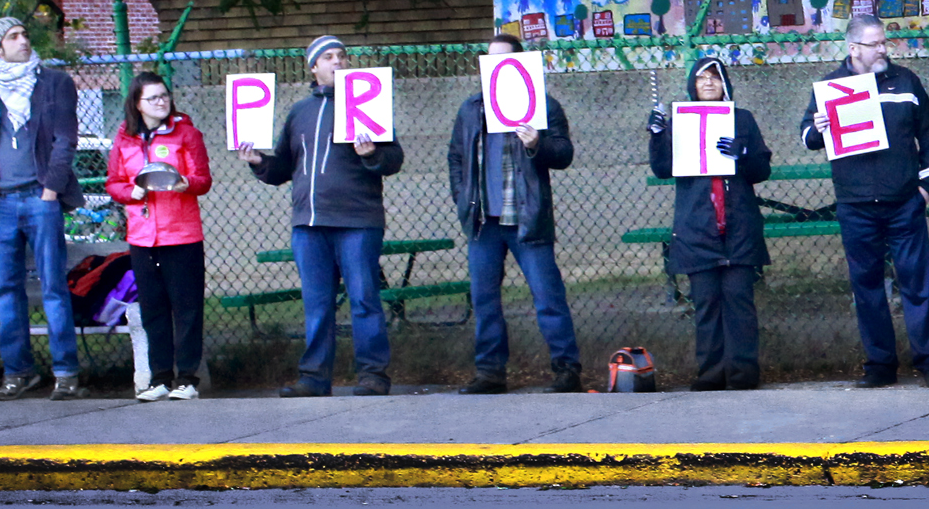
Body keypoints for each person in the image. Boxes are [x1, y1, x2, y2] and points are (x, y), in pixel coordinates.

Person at [247, 35, 409, 396]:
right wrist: (259, 162)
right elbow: (282, 168)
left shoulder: (368, 103)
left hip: (357, 222)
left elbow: (393, 160)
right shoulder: (299, 112)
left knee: (364, 299)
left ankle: (373, 375)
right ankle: (314, 378)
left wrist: (371, 154)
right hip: (309, 225)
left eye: (342, 56)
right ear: (313, 67)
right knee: (317, 304)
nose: (338, 62)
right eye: (329, 57)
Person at [0, 17, 92, 399]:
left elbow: (66, 139)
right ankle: (18, 372)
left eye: (24, 34)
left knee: (53, 287)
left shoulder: (54, 83)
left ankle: (66, 373)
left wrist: (51, 190)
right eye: (13, 36)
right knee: (5, 291)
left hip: (40, 196)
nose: (23, 40)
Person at [812, 17, 929, 387]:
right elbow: (807, 135)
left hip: (904, 201)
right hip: (855, 204)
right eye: (874, 44)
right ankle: (880, 365)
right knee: (867, 287)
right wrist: (818, 126)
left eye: (884, 43)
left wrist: (926, 188)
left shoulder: (906, 81)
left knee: (917, 282)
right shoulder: (830, 87)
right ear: (853, 48)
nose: (882, 50)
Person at [448, 27, 585, 394]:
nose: (497, 66)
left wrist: (538, 143)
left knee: (547, 296)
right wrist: (463, 198)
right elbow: (456, 157)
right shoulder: (472, 108)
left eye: (504, 59)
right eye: (490, 61)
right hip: (484, 221)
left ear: (520, 64)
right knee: (485, 299)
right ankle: (490, 373)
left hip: (526, 216)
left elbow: (564, 154)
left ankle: (566, 369)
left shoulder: (543, 105)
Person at [647, 56, 777, 391]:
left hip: (738, 226)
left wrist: (743, 153)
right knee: (705, 302)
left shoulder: (742, 119)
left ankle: (743, 374)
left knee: (739, 301)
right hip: (697, 227)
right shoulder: (680, 120)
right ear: (692, 84)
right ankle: (711, 374)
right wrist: (658, 134)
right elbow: (662, 168)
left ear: (725, 84)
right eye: (701, 77)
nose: (708, 82)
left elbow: (761, 170)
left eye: (715, 77)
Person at [103, 70, 214, 401]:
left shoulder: (186, 133)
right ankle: (160, 378)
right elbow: (114, 182)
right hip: (142, 237)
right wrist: (131, 193)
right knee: (153, 309)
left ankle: (187, 379)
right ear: (138, 104)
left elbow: (203, 179)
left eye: (164, 95)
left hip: (181, 234)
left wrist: (185, 184)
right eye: (152, 98)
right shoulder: (125, 138)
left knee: (187, 308)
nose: (161, 102)